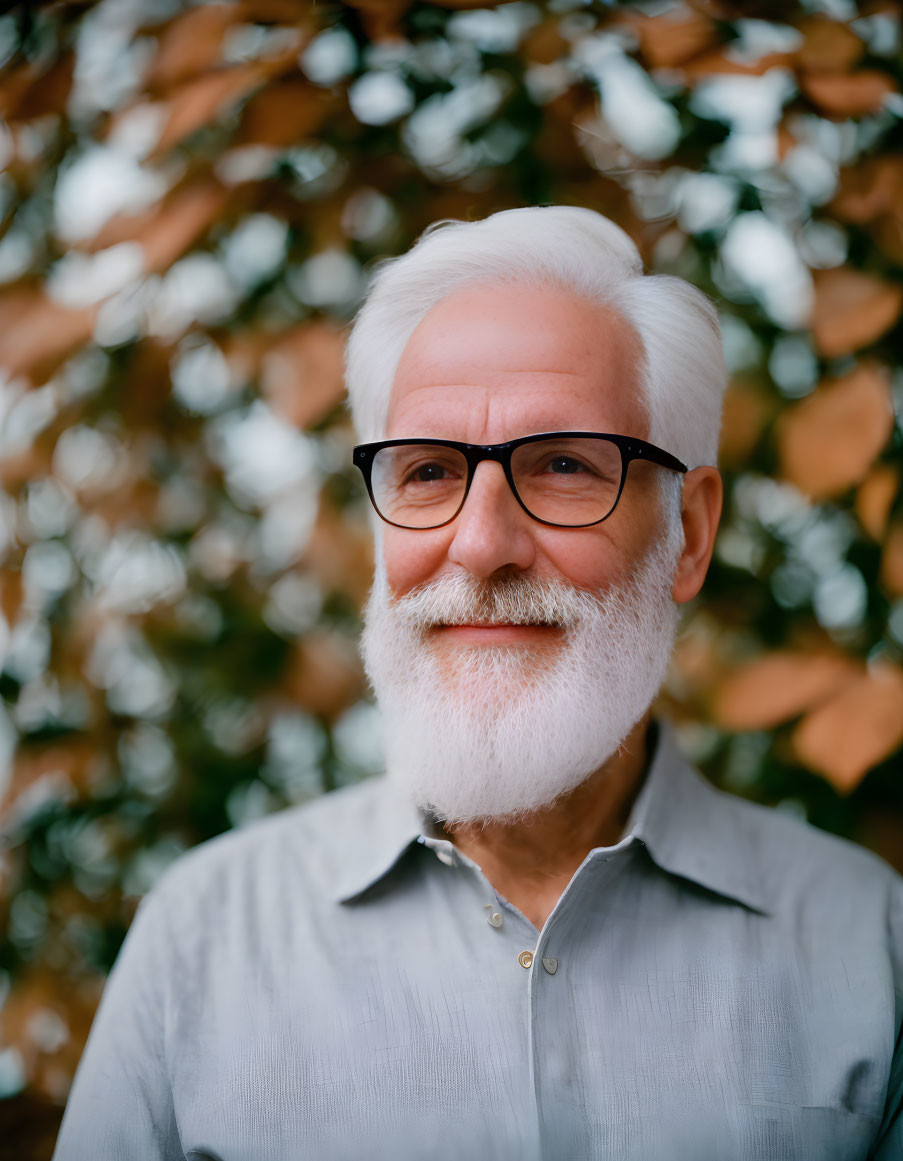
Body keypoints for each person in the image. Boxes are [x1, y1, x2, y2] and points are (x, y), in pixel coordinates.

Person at [53, 207, 902, 1161]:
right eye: (426, 472)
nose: (482, 545)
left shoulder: (870, 949)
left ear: (689, 535)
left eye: (565, 466)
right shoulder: (200, 940)